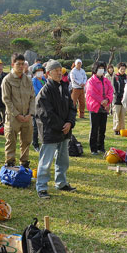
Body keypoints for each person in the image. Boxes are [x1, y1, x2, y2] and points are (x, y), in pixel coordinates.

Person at [35, 60, 77, 199]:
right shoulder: (44, 92)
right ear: (48, 74)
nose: (60, 72)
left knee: (63, 160)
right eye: (56, 70)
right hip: (51, 132)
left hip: (65, 130)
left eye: (60, 70)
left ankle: (61, 183)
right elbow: (47, 114)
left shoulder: (64, 87)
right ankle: (41, 187)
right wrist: (61, 126)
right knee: (46, 161)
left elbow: (72, 107)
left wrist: (70, 123)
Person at [2, 53, 35, 168]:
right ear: (12, 64)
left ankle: (24, 162)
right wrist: (16, 114)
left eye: (23, 64)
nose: (21, 66)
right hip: (13, 117)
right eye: (18, 64)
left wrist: (30, 113)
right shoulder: (7, 80)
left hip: (27, 116)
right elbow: (6, 100)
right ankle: (10, 162)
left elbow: (32, 97)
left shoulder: (27, 79)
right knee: (11, 140)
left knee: (26, 141)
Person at [85, 61, 114, 155]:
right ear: (95, 69)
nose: (101, 70)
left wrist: (108, 100)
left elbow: (110, 90)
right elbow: (92, 93)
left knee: (102, 128)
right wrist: (102, 101)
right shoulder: (91, 81)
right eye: (99, 68)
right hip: (95, 107)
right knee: (94, 128)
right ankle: (93, 148)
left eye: (102, 68)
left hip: (104, 107)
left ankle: (101, 146)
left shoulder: (106, 80)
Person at [31, 64, 47, 151]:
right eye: (38, 71)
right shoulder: (33, 81)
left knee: (44, 125)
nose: (40, 73)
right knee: (36, 125)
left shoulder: (45, 80)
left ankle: (43, 141)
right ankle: (35, 143)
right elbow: (38, 92)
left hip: (45, 105)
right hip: (36, 105)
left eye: (41, 71)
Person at [112, 63, 127, 135]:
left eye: (124, 69)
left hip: (125, 99)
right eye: (121, 69)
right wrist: (120, 96)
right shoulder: (115, 77)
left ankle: (122, 129)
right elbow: (115, 89)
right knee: (116, 114)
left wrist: (125, 97)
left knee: (122, 115)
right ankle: (116, 129)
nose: (123, 70)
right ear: (118, 69)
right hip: (117, 100)